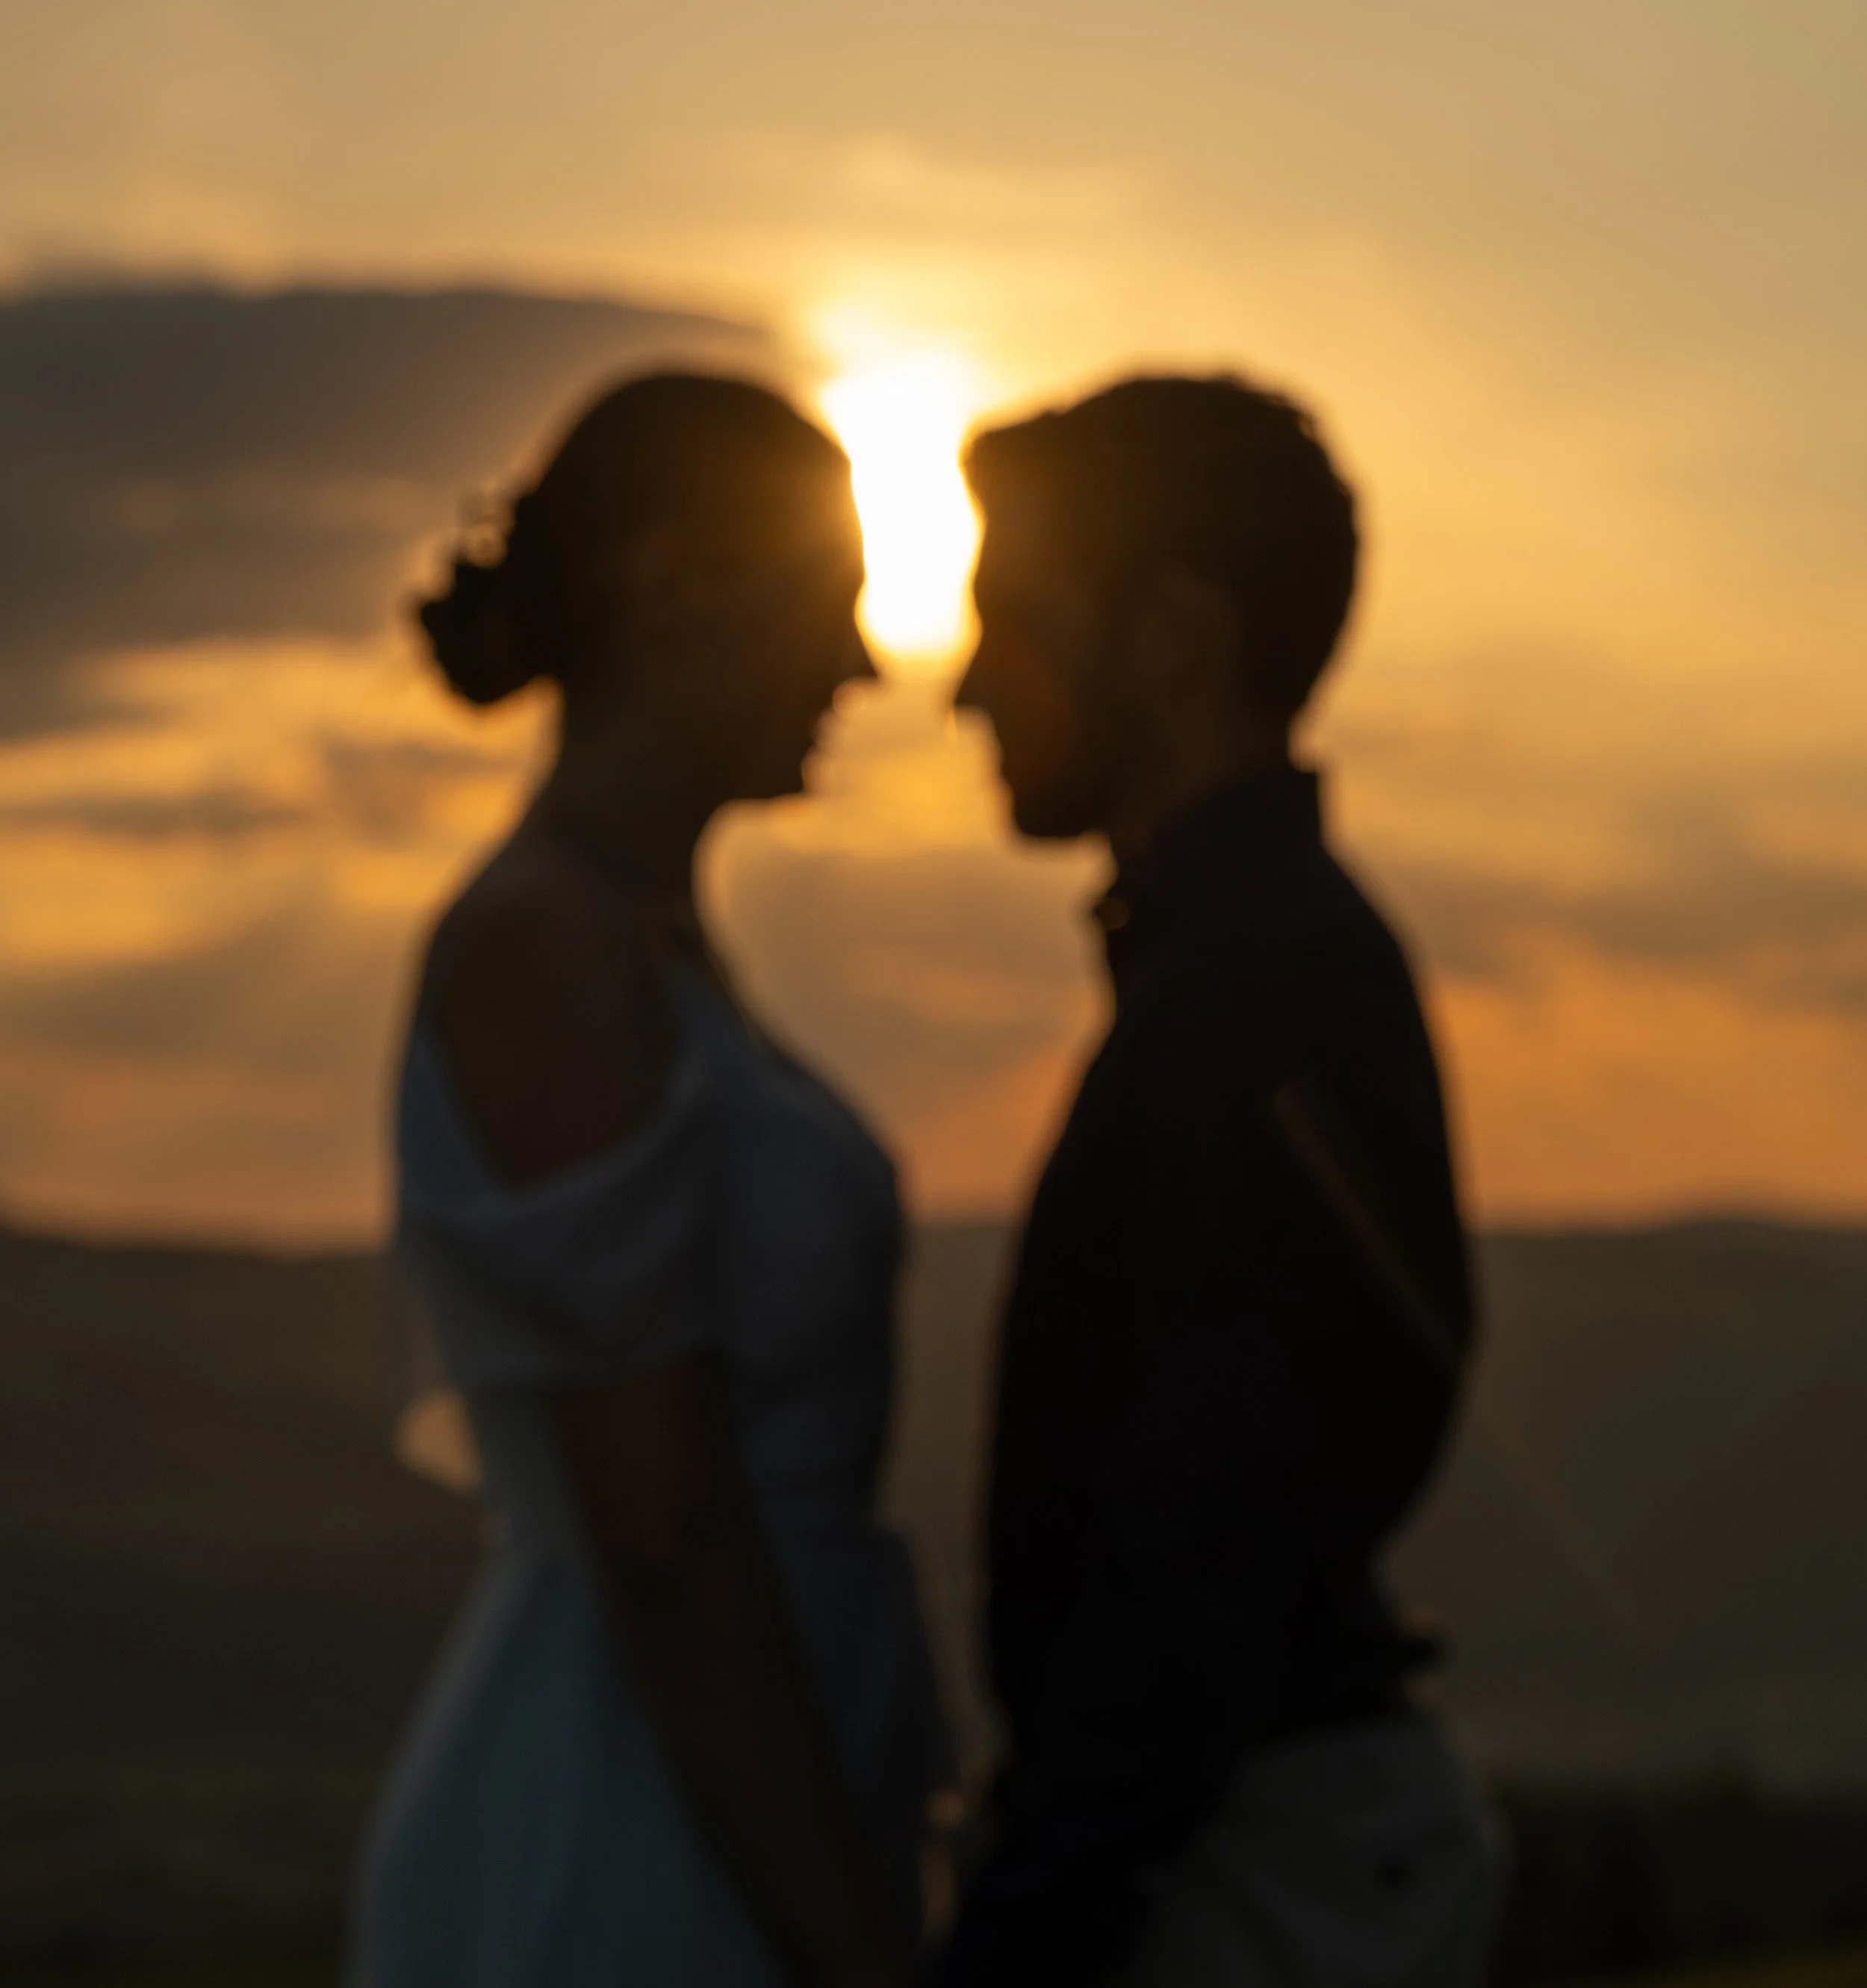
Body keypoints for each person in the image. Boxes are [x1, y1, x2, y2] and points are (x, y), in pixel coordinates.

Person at [351, 371, 948, 1988]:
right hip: (638, 1820)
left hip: (750, 1766)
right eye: (829, 607)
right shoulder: (544, 950)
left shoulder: (654, 944)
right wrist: (851, 1954)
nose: (863, 667)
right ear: (668, 590)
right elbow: (664, 1538)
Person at [935, 375, 1499, 1988]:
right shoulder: (1246, 973)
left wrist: (1025, 1928)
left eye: (1009, 621)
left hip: (1247, 1877)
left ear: (1172, 633)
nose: (968, 688)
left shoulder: (1263, 993)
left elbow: (1201, 1543)